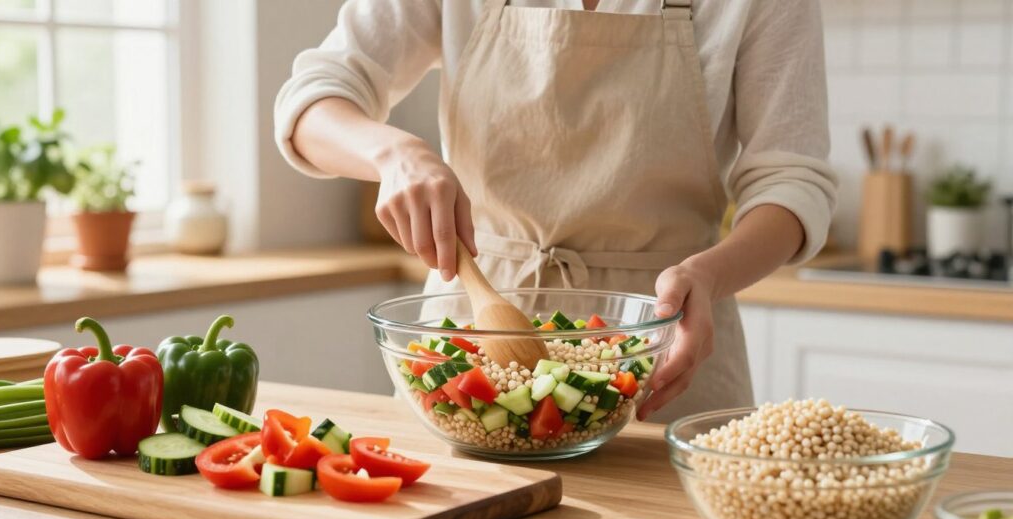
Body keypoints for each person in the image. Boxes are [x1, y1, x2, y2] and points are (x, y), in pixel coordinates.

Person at [275, 0, 837, 423]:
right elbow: (312, 100)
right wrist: (395, 154)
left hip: (661, 347)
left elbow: (791, 181)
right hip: (471, 345)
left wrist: (709, 274)